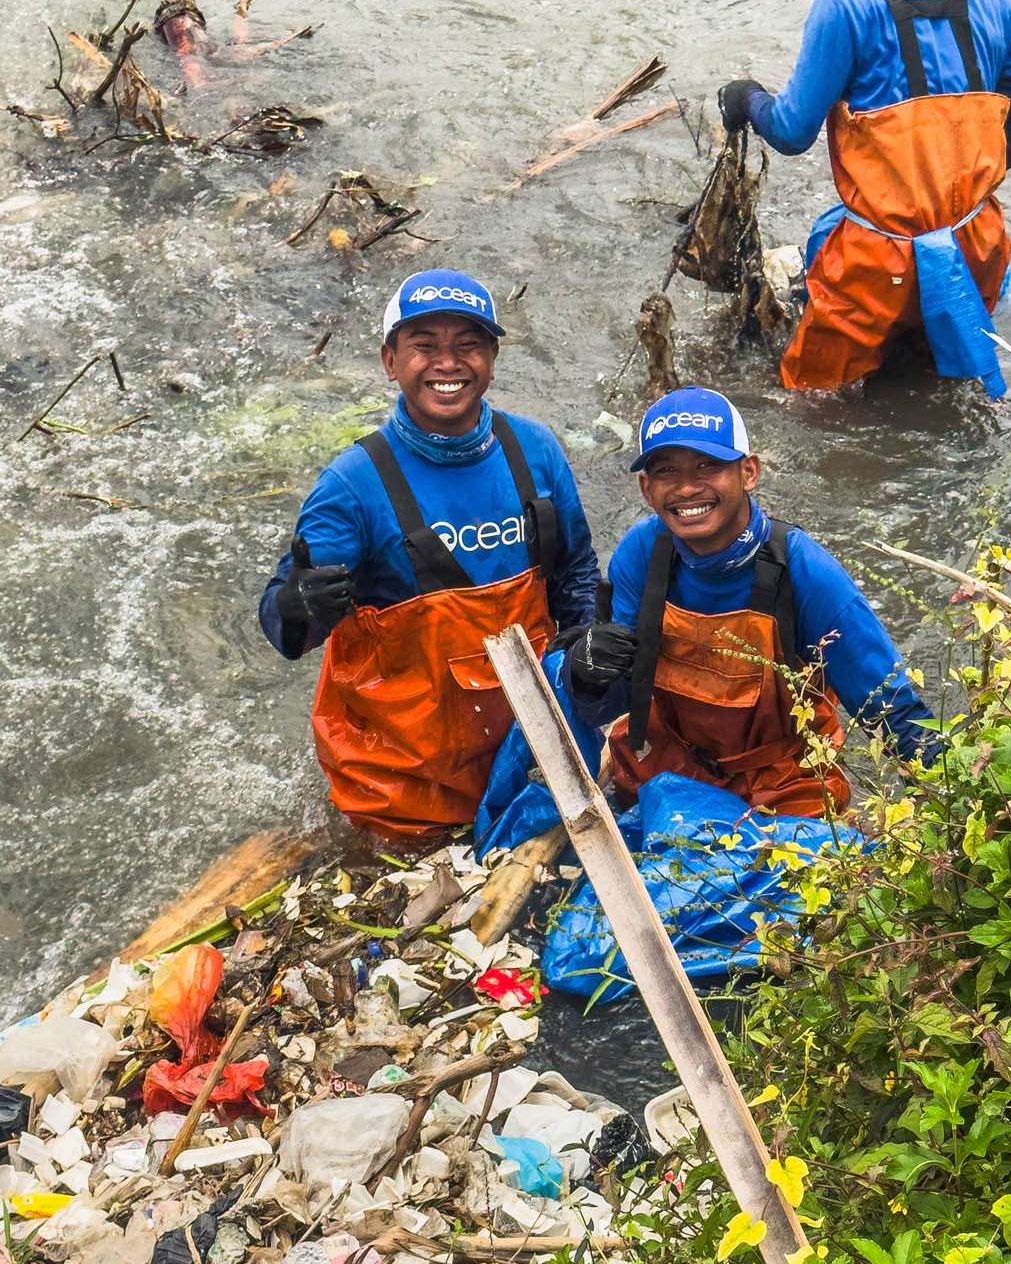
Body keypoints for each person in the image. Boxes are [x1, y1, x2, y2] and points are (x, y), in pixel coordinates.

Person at [260, 270, 600, 839]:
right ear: (390, 361)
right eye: (424, 346)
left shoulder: (536, 450)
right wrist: (299, 604)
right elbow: (284, 629)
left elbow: (576, 572)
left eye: (467, 345)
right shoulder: (353, 484)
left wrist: (585, 660)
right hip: (399, 792)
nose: (448, 363)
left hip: (528, 761)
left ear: (492, 359)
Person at [719, 0, 1011, 393]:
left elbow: (790, 131)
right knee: (937, 383)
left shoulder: (845, 2)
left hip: (877, 265)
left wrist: (747, 99)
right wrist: (958, 180)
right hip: (975, 243)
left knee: (809, 400)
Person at [564, 387, 937, 815]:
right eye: (667, 471)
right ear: (647, 489)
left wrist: (960, 801)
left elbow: (892, 713)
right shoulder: (640, 555)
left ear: (749, 472)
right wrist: (589, 671)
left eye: (708, 465)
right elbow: (618, 701)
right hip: (666, 774)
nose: (687, 488)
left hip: (781, 790)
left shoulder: (804, 572)